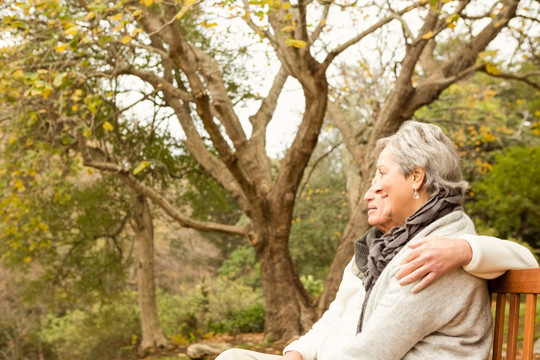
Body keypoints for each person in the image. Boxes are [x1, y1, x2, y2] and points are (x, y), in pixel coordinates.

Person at [216, 121, 538, 360]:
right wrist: (298, 352)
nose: (371, 191)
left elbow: (373, 351)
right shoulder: (391, 246)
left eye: (382, 174)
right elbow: (344, 323)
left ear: (416, 177)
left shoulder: (433, 251)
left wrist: (466, 249)